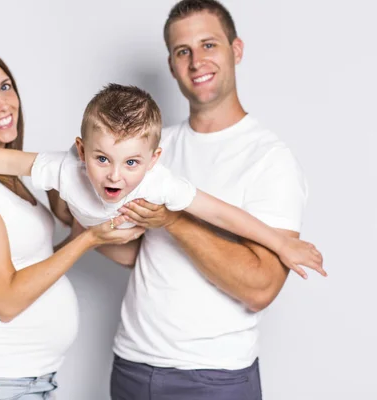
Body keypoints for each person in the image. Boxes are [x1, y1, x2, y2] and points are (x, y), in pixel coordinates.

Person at [101, 1, 321, 399]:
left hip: (213, 377)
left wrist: (172, 220)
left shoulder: (269, 159)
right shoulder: (155, 146)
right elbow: (139, 252)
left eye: (209, 45)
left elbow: (260, 287)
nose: (196, 60)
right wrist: (73, 209)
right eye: (182, 51)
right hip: (132, 366)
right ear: (171, 65)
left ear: (236, 50)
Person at [0, 84, 324, 280]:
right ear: (81, 150)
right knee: (60, 207)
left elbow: (219, 211)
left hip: (123, 235)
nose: (116, 175)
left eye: (131, 162)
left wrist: (282, 243)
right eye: (102, 159)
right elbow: (3, 157)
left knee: (151, 242)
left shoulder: (158, 182)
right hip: (83, 221)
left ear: (154, 159)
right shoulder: (66, 167)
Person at [0, 42, 143, 400]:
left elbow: (31, 265)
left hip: (26, 382)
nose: (3, 104)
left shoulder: (20, 178)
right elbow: (5, 300)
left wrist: (92, 225)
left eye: (5, 87)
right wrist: (88, 240)